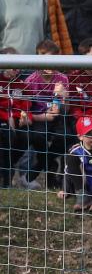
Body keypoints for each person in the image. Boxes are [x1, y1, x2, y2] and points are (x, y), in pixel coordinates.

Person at [23, 40, 70, 190]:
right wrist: (43, 116)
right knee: (37, 136)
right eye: (45, 60)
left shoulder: (63, 79)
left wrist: (64, 97)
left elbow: (66, 110)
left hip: (58, 118)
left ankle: (38, 168)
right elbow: (26, 111)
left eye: (53, 60)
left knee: (67, 136)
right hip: (39, 118)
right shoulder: (30, 81)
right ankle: (50, 166)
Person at [0, 47, 31, 188]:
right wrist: (7, 117)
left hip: (17, 122)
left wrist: (24, 117)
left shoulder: (22, 85)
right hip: (3, 121)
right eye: (10, 65)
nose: (15, 69)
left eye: (17, 66)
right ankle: (6, 180)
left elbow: (26, 106)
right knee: (6, 134)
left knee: (24, 138)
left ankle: (7, 168)